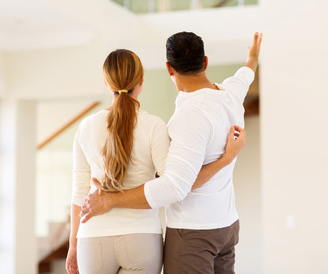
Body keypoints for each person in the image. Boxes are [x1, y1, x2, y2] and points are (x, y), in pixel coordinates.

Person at [80, 32, 262, 274]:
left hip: (194, 233)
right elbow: (245, 75)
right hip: (226, 227)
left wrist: (109, 199)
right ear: (205, 62)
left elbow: (175, 187)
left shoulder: (190, 116)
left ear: (168, 68)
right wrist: (252, 57)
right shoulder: (229, 95)